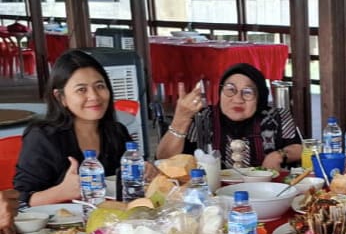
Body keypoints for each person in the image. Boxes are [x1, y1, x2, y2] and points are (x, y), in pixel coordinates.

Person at [14, 50, 132, 208]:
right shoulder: (43, 137)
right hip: (59, 222)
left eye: (100, 86)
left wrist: (144, 172)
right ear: (60, 97)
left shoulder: (117, 132)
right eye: (81, 90)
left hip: (110, 219)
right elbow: (18, 202)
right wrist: (61, 192)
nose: (94, 96)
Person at [156, 63, 302, 170]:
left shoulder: (278, 117)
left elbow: (302, 148)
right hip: (210, 197)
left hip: (267, 193)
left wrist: (279, 155)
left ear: (260, 97)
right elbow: (164, 159)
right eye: (230, 89)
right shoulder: (201, 118)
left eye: (248, 92)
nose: (237, 99)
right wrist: (180, 120)